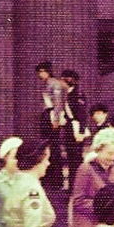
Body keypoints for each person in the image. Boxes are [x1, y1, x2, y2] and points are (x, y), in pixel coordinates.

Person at [35, 61, 67, 189]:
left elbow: (58, 103)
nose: (40, 75)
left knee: (53, 147)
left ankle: (56, 180)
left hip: (52, 115)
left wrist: (56, 119)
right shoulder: (47, 84)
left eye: (41, 72)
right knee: (47, 146)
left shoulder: (55, 84)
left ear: (47, 71)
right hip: (47, 114)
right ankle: (49, 178)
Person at [61, 69, 88, 188]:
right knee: (70, 158)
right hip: (69, 129)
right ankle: (72, 186)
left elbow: (82, 115)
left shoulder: (78, 94)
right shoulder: (66, 94)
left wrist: (81, 132)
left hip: (77, 130)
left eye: (65, 78)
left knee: (77, 159)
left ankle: (79, 186)